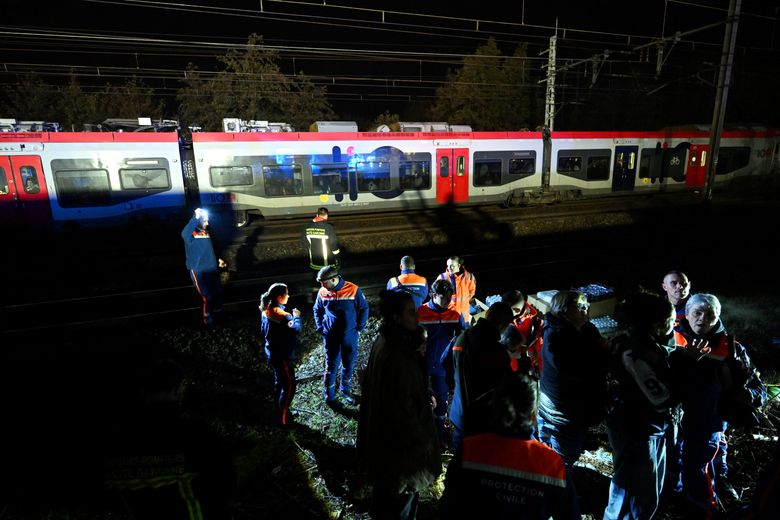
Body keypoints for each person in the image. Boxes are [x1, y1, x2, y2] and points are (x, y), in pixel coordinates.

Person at [670, 293, 766, 517]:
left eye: (709, 315)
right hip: (670, 425)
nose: (702, 319)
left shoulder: (730, 348)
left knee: (697, 474)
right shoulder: (670, 339)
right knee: (678, 474)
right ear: (687, 314)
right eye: (697, 313)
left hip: (707, 425)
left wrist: (749, 395)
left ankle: (704, 511)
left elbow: (756, 387)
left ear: (717, 317)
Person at [104, 358, 236, 519]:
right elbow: (225, 482)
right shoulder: (196, 434)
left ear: (142, 391)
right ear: (179, 389)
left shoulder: (116, 440)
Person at [357, 289, 441, 520]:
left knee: (387, 496)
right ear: (397, 318)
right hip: (400, 454)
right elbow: (401, 409)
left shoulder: (386, 342)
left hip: (385, 450)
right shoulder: (399, 356)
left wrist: (424, 393)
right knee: (402, 501)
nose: (417, 316)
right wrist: (422, 442)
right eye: (411, 312)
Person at [440, 372, 571, 519]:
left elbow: (448, 508)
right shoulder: (554, 465)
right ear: (533, 415)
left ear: (495, 407)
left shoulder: (469, 450)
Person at [604, 292, 678, 520]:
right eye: (671, 321)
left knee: (632, 483)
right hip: (639, 429)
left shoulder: (638, 343)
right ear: (656, 325)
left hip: (641, 426)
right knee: (640, 491)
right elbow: (662, 397)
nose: (673, 325)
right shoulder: (636, 354)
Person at [537, 290, 610, 518]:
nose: (585, 310)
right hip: (563, 413)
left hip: (566, 409)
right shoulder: (558, 338)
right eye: (579, 306)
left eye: (586, 305)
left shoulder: (581, 330)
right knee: (560, 465)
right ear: (563, 310)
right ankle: (561, 508)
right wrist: (603, 354)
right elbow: (581, 371)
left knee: (555, 460)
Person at [449, 301, 514, 454]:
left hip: (459, 414)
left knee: (460, 462)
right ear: (502, 325)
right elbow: (505, 388)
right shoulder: (497, 351)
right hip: (481, 421)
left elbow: (447, 367)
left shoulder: (462, 338)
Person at [417, 278, 467, 449]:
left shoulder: (455, 315)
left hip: (442, 369)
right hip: (422, 366)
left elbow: (463, 338)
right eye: (443, 298)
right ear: (433, 295)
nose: (447, 301)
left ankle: (439, 434)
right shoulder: (420, 312)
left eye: (450, 298)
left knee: (441, 402)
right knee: (420, 400)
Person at [313, 264, 369, 406]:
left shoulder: (353, 290)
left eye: (323, 282)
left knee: (348, 364)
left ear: (333, 279)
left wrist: (360, 327)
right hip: (331, 337)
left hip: (349, 336)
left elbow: (364, 308)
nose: (321, 285)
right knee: (331, 366)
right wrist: (320, 326)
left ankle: (345, 391)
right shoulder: (322, 292)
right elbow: (317, 309)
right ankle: (330, 396)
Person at [259, 283, 302, 428]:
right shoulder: (284, 316)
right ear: (279, 297)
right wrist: (296, 317)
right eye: (286, 293)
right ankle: (283, 419)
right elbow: (296, 330)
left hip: (271, 352)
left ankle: (277, 408)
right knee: (290, 386)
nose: (289, 296)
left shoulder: (265, 309)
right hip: (283, 356)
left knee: (279, 382)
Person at [181, 208, 227, 327]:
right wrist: (195, 218)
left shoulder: (206, 232)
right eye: (205, 221)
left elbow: (207, 249)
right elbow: (184, 234)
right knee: (208, 295)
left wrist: (218, 260)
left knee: (218, 292)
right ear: (199, 221)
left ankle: (219, 314)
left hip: (212, 267)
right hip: (199, 270)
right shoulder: (191, 233)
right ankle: (207, 318)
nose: (208, 223)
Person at [501, 289, 545, 377]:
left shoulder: (534, 322)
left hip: (526, 363)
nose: (503, 311)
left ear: (517, 310)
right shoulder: (501, 317)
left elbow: (540, 349)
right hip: (507, 365)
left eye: (507, 309)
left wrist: (541, 371)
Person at [437, 255, 477, 325]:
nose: (449, 268)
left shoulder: (469, 276)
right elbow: (436, 295)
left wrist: (464, 300)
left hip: (464, 317)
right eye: (448, 265)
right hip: (449, 317)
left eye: (452, 265)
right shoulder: (442, 277)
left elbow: (472, 291)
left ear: (459, 265)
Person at [302, 207, 341, 272]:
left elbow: (304, 242)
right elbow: (333, 244)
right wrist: (337, 258)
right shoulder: (328, 227)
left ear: (317, 215)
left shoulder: (307, 226)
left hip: (314, 263)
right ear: (326, 216)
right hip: (327, 263)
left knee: (316, 279)